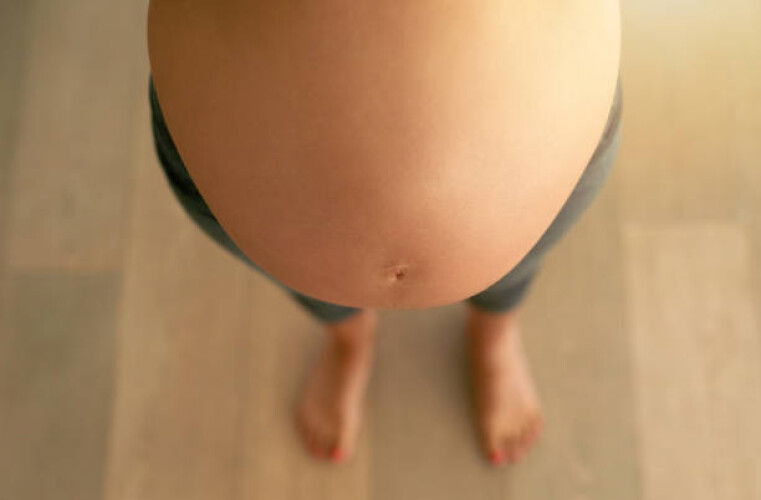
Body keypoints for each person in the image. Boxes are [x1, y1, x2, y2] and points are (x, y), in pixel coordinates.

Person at [146, 0, 622, 466]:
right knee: (296, 276)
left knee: (518, 263)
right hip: (238, 169)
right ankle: (349, 341)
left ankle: (494, 334)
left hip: (547, 135)